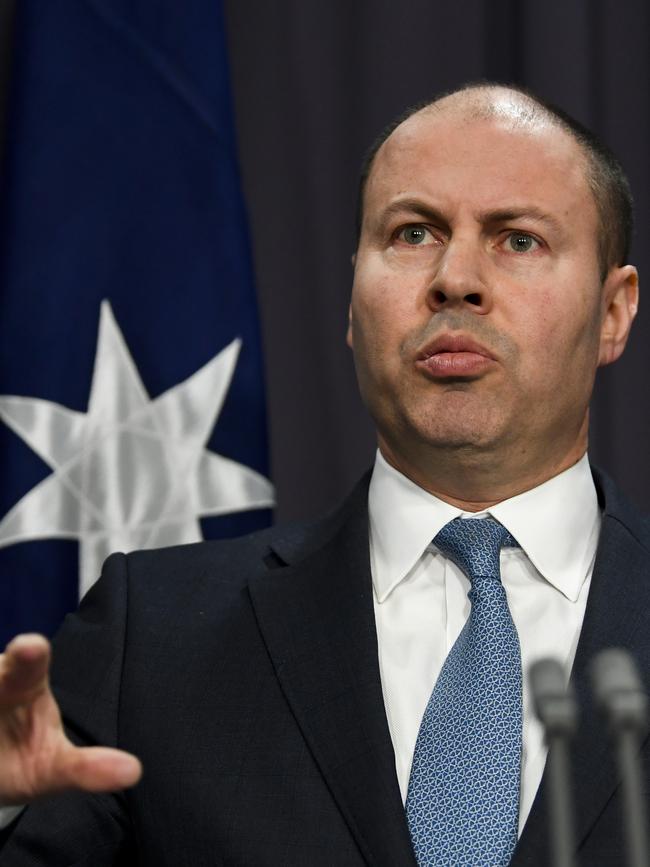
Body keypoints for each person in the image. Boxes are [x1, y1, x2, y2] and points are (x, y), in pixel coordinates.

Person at [0, 82, 643, 866]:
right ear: (350, 301)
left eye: (517, 240)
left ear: (613, 311)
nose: (455, 278)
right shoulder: (154, 637)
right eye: (412, 233)